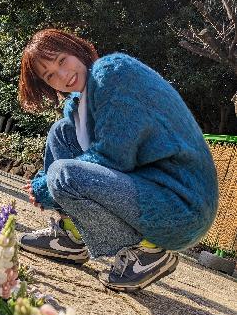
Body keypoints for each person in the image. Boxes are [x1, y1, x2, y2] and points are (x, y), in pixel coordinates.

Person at [17, 29, 219, 292]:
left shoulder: (113, 72)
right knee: (62, 132)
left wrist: (46, 187)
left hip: (182, 206)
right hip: (153, 189)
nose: (63, 76)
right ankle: (73, 235)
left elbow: (113, 157)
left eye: (62, 60)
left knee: (61, 176)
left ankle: (150, 251)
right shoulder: (84, 102)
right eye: (50, 75)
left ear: (76, 48)